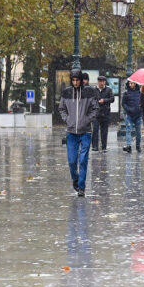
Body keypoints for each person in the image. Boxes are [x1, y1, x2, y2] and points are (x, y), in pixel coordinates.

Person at [59, 69, 99, 197]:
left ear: (81, 80)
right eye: (73, 80)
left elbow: (95, 108)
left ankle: (81, 187)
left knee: (83, 160)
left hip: (85, 131)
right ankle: (75, 178)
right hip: (71, 132)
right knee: (72, 161)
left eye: (77, 80)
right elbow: (61, 108)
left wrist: (88, 119)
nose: (75, 82)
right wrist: (67, 119)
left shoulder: (89, 92)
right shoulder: (66, 93)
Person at [91, 76, 114, 152]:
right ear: (98, 82)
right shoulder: (94, 90)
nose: (102, 83)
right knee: (95, 130)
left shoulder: (108, 89)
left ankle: (104, 147)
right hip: (96, 113)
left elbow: (112, 99)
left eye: (103, 81)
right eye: (100, 81)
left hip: (105, 113)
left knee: (104, 131)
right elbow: (91, 99)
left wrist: (104, 100)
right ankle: (95, 146)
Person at [121, 80, 142, 153]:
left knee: (138, 132)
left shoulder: (140, 93)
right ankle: (129, 146)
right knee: (128, 130)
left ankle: (138, 146)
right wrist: (128, 109)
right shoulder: (126, 93)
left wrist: (140, 108)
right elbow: (123, 103)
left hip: (138, 115)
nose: (130, 85)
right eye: (129, 83)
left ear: (135, 83)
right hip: (129, 115)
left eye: (132, 83)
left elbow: (142, 102)